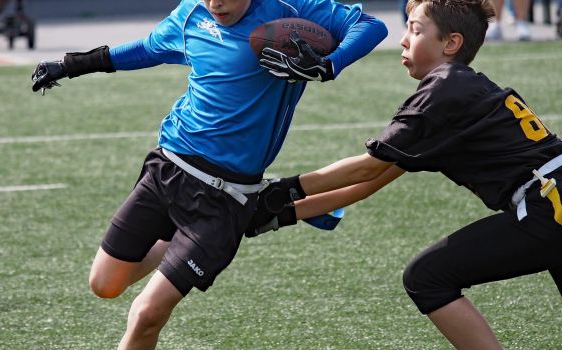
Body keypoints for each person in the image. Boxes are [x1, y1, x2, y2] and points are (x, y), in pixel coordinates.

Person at [247, 0, 562, 348]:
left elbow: (367, 166)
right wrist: (284, 213)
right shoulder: (460, 93)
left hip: (550, 211)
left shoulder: (445, 89)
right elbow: (370, 183)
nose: (403, 40)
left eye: (415, 30)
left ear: (451, 43)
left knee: (426, 276)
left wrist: (286, 188)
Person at [30, 0, 387, 348]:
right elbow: (149, 48)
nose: (215, 3)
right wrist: (71, 64)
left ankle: (183, 240)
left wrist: (327, 65)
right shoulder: (191, 15)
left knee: (145, 315)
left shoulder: (291, 9)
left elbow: (372, 26)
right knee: (104, 284)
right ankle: (174, 241)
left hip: (225, 202)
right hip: (168, 170)